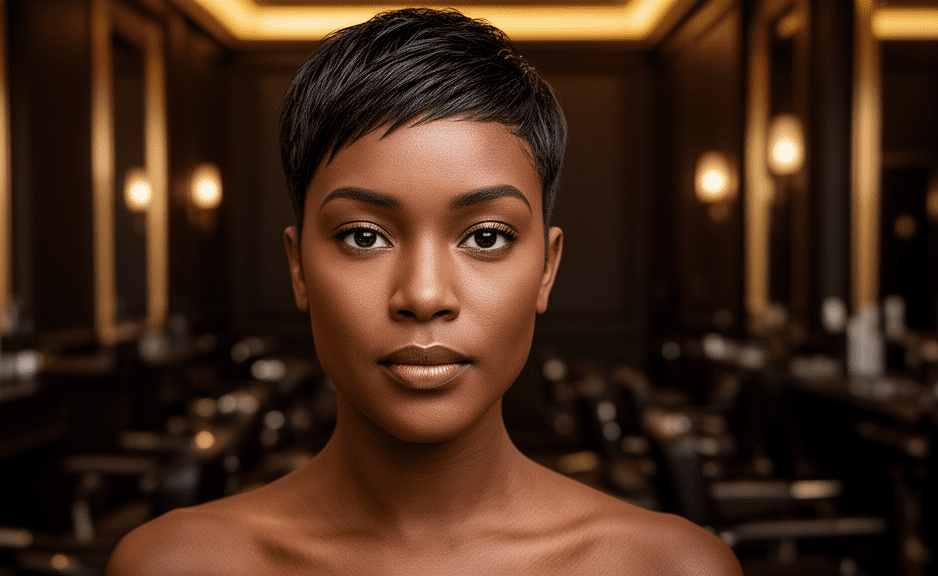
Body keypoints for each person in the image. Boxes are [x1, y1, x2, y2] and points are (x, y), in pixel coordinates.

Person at [104, 8, 743, 575]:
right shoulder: (173, 565)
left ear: (546, 270)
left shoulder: (671, 567)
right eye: (362, 237)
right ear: (299, 268)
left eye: (486, 238)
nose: (424, 294)